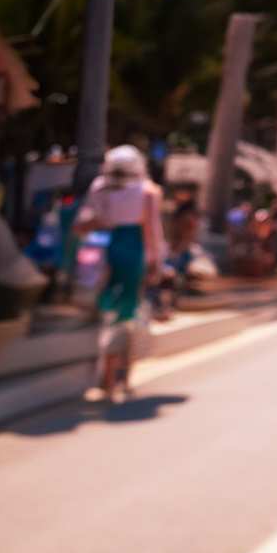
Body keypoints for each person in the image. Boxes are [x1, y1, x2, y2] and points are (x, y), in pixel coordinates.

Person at [73, 144, 165, 401]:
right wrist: (156, 261)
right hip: (132, 251)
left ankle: (107, 377)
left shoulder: (100, 187)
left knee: (108, 313)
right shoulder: (148, 191)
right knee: (128, 314)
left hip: (102, 252)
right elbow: (153, 231)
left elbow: (83, 223)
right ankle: (119, 377)